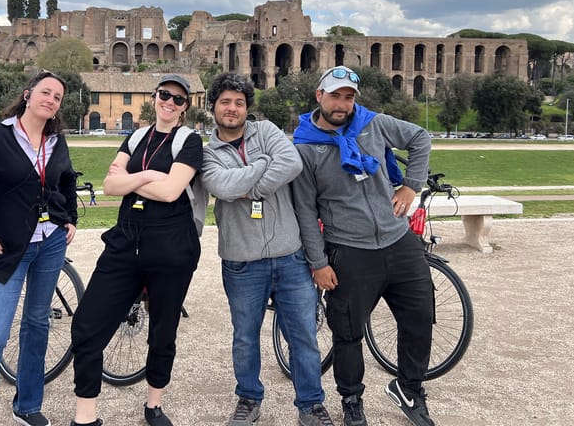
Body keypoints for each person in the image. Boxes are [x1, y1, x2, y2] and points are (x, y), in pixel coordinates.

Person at [291, 66, 435, 426]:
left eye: (349, 97)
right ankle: (352, 400)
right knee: (348, 332)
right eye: (335, 95)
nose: (342, 104)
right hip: (349, 249)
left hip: (398, 238)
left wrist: (410, 185)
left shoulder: (372, 123)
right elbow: (306, 211)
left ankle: (409, 388)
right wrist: (318, 262)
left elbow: (420, 138)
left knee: (420, 318)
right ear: (319, 96)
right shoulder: (304, 146)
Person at [200, 73, 335, 426]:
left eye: (239, 103)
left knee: (303, 335)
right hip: (241, 261)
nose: (232, 109)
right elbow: (222, 186)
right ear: (213, 106)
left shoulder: (268, 131)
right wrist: (263, 168)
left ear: (248, 108)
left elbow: (291, 163)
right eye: (225, 102)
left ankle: (311, 404)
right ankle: (248, 398)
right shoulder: (206, 153)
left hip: (290, 255)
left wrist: (251, 185)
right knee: (245, 337)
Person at [70, 74, 203, 426]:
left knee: (162, 331)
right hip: (126, 243)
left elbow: (173, 191)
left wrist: (133, 179)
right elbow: (111, 185)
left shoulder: (189, 141)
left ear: (185, 106)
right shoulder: (137, 135)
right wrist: (147, 177)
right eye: (164, 95)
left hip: (171, 247)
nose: (169, 103)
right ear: (155, 97)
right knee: (86, 326)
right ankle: (86, 416)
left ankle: (153, 404)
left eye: (177, 99)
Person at [0, 70, 79, 426]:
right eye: (46, 92)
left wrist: (68, 218)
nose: (51, 100)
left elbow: (67, 179)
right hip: (7, 246)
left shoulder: (57, 141)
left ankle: (27, 404)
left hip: (51, 243)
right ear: (28, 95)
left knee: (37, 324)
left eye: (57, 97)